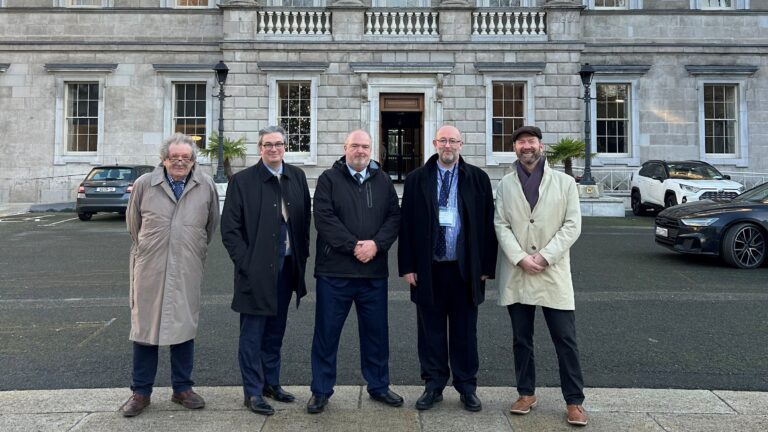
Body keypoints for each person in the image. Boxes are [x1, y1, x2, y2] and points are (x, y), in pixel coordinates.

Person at [398, 125, 498, 412]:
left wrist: (486, 266)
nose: (448, 146)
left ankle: (467, 387)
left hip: (465, 268)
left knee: (465, 330)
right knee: (430, 331)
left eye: (453, 141)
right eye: (443, 140)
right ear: (434, 143)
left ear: (461, 144)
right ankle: (433, 384)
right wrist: (407, 266)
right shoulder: (417, 179)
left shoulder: (477, 178)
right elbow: (407, 225)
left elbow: (487, 225)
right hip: (429, 268)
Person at [494, 125, 588, 426]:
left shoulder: (564, 183)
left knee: (565, 338)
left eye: (531, 141)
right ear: (515, 149)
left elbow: (572, 226)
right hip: (518, 270)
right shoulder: (505, 184)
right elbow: (500, 224)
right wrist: (520, 257)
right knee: (522, 339)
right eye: (520, 142)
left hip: (553, 270)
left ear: (541, 146)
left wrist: (545, 256)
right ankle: (526, 392)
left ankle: (574, 400)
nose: (526, 146)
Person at [122, 132, 220, 417]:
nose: (179, 162)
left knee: (183, 327)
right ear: (163, 159)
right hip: (150, 265)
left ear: (193, 161)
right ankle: (140, 392)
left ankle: (182, 388)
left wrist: (192, 247)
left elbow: (210, 225)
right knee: (145, 330)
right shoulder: (144, 184)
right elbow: (133, 225)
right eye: (173, 157)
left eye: (185, 158)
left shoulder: (205, 186)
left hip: (187, 264)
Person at [307, 129, 402, 414]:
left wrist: (376, 245)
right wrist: (354, 246)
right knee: (326, 333)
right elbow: (324, 218)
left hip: (373, 273)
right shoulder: (328, 179)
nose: (360, 151)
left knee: (376, 334)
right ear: (345, 148)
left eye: (365, 146)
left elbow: (393, 217)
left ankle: (379, 385)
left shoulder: (383, 180)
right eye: (355, 146)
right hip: (334, 273)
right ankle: (321, 390)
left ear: (372, 150)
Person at [221, 126, 311, 416]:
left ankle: (271, 383)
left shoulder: (296, 176)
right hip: (255, 272)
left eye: (279, 144)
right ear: (259, 148)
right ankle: (253, 392)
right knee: (253, 334)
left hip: (286, 269)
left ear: (286, 147)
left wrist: (302, 258)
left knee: (275, 331)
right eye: (268, 144)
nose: (274, 149)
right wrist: (246, 263)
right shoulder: (243, 181)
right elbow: (230, 230)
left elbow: (304, 221)